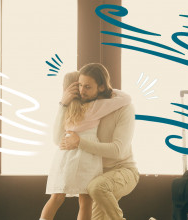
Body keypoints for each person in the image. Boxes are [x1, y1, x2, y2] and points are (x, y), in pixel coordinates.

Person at [40, 71, 131, 220]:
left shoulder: (65, 109)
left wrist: (63, 101)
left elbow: (56, 139)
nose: (83, 89)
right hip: (87, 158)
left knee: (56, 198)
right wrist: (104, 89)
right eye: (81, 85)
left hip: (66, 157)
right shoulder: (94, 108)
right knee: (86, 201)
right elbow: (126, 98)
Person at [59, 63, 140, 220]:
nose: (82, 91)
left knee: (96, 187)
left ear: (101, 87)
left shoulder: (124, 108)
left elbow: (118, 151)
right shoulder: (86, 107)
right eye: (80, 85)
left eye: (88, 87)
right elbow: (58, 138)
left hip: (124, 170)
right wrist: (63, 103)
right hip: (97, 175)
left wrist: (79, 142)